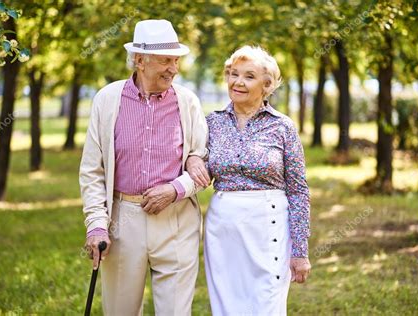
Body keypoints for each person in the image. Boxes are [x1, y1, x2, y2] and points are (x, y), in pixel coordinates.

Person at [79, 19, 208, 315]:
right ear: (140, 60)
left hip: (176, 221)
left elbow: (205, 164)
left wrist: (176, 189)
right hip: (124, 220)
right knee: (120, 311)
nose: (173, 68)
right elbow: (92, 171)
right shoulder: (108, 100)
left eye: (175, 60)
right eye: (165, 60)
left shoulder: (187, 102)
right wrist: (97, 224)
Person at [187, 45, 311, 315]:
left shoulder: (282, 127)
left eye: (248, 76)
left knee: (267, 303)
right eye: (233, 74)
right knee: (226, 305)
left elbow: (299, 191)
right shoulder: (213, 123)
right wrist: (192, 159)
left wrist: (301, 250)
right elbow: (198, 163)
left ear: (266, 85)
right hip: (223, 228)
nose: (238, 82)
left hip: (269, 226)